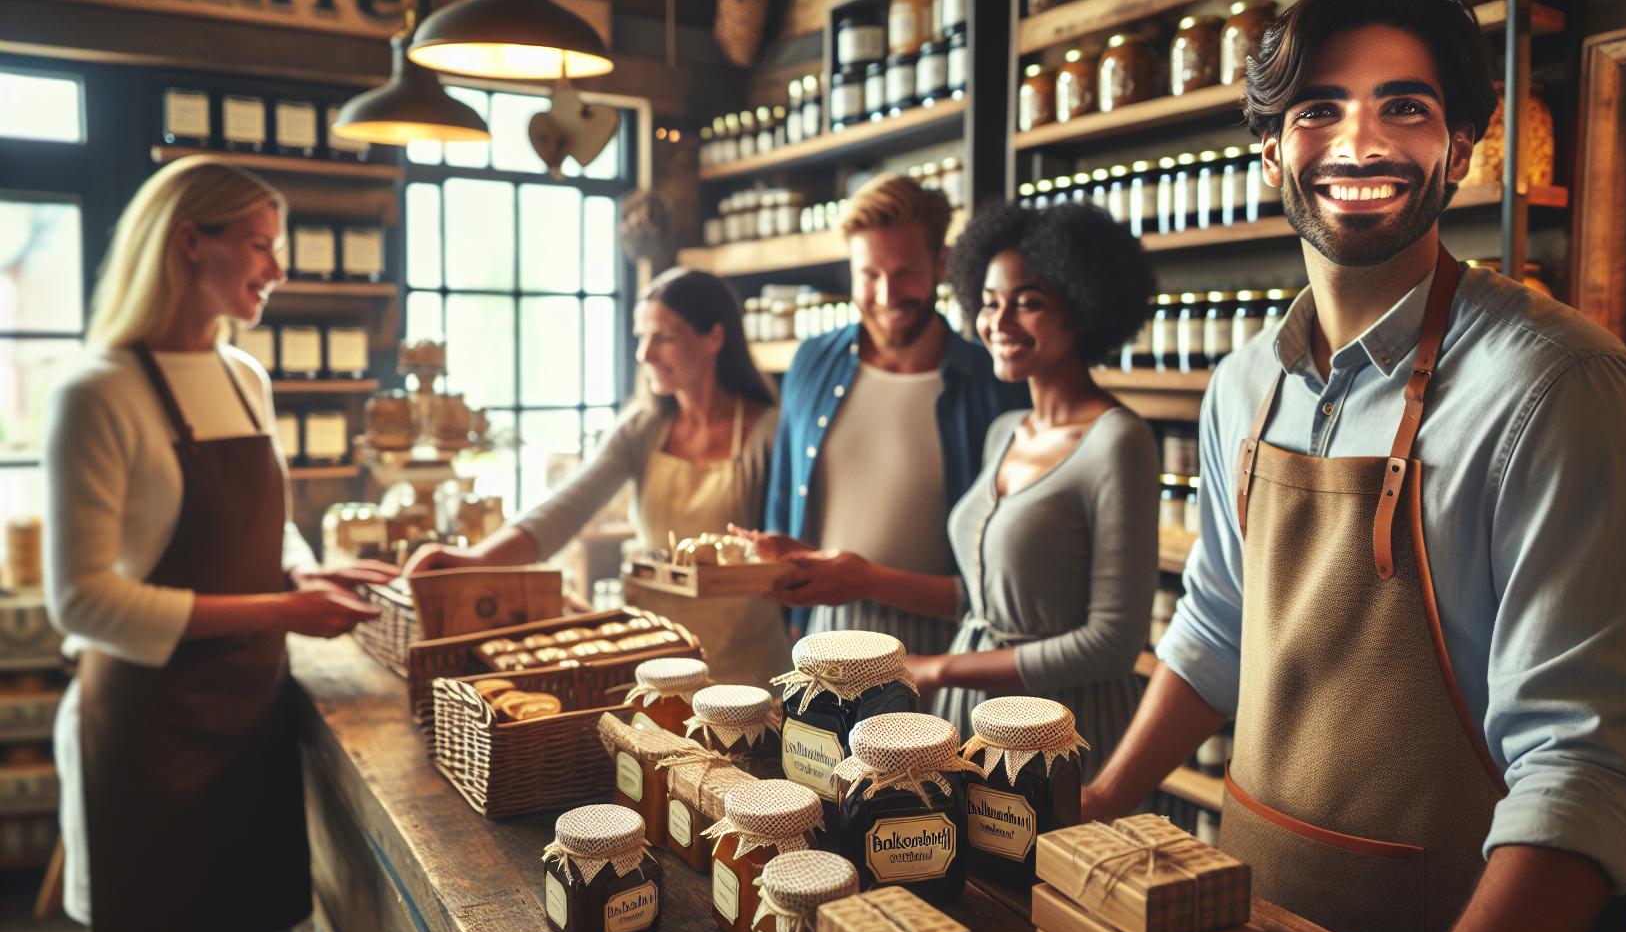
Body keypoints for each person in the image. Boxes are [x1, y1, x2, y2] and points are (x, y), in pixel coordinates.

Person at [1081, 0, 1626, 932]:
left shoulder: (1559, 387)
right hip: (1247, 901)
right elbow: (1220, 625)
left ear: (1462, 148)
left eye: (1403, 107)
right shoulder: (1242, 383)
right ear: (1268, 150)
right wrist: (1097, 803)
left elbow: (1582, 764)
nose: (1359, 141)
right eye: (1319, 109)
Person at [44, 157, 392, 932]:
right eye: (262, 243)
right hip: (148, 735)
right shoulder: (96, 392)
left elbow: (269, 524)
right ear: (191, 243)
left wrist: (305, 567)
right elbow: (82, 601)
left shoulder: (245, 376)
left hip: (249, 713)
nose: (279, 267)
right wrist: (283, 606)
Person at [757, 204, 1160, 773]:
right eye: (991, 302)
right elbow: (984, 594)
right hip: (971, 719)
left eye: (1029, 302)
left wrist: (935, 667)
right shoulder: (1004, 433)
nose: (1000, 322)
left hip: (1057, 730)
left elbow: (1112, 643)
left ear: (1084, 304)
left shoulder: (1118, 440)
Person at [405, 267, 789, 685]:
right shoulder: (643, 428)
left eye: (663, 337)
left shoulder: (768, 431)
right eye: (641, 338)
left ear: (714, 337)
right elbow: (565, 509)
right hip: (657, 655)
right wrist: (477, 562)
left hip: (748, 666)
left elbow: (791, 549)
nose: (644, 355)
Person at [749, 175, 1028, 656]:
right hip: (823, 633)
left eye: (905, 273)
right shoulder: (812, 361)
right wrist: (790, 607)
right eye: (870, 274)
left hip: (947, 645)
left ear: (940, 265)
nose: (886, 293)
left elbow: (1004, 572)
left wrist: (866, 580)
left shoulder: (994, 383)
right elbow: (784, 497)